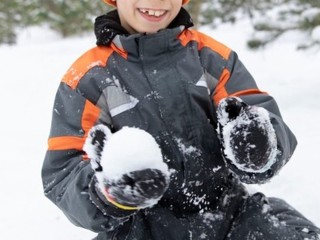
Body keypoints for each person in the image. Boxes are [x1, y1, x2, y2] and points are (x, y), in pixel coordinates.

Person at [41, 0, 320, 239]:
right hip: (139, 228)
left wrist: (258, 143)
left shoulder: (210, 57)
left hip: (229, 213)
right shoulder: (89, 77)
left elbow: (259, 112)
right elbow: (63, 174)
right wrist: (108, 191)